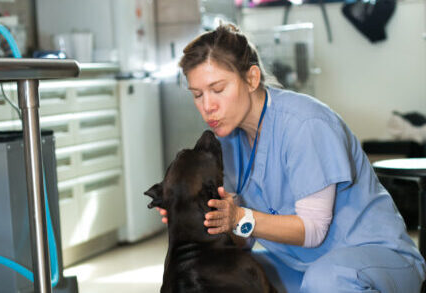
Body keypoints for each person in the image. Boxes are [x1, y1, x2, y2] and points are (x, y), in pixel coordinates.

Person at [156, 23, 426, 292]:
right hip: (299, 267)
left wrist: (237, 216)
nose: (207, 106)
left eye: (218, 89)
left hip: (374, 260)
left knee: (326, 280)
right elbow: (243, 240)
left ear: (251, 78)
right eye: (197, 95)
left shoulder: (306, 124)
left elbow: (313, 230)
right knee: (215, 276)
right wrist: (201, 217)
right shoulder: (226, 142)